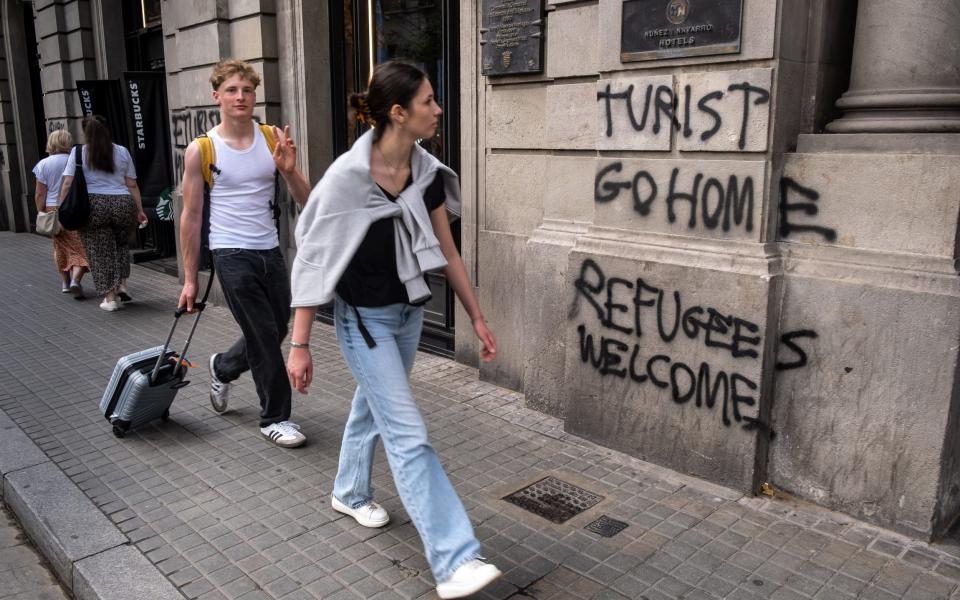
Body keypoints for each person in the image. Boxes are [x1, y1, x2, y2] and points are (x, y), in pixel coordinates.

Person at [286, 61, 502, 599]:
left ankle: (349, 489)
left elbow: (447, 251)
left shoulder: (424, 172)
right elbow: (313, 258)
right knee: (408, 435)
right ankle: (454, 560)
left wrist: (474, 315)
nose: (438, 109)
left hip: (407, 314)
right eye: (429, 101)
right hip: (364, 322)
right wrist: (300, 342)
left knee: (374, 406)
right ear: (399, 113)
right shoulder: (346, 178)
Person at [177, 59, 312, 448]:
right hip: (229, 253)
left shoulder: (271, 137)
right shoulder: (202, 149)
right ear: (217, 96)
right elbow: (191, 216)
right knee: (265, 336)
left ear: (255, 96)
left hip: (269, 250)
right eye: (232, 90)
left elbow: (307, 200)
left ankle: (223, 365)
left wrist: (289, 170)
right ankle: (275, 418)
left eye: (247, 90)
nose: (241, 97)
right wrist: (189, 278)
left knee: (278, 328)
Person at [59, 116, 147, 311]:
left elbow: (67, 182)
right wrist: (139, 210)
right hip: (122, 203)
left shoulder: (79, 152)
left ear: (84, 132)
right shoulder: (122, 151)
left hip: (93, 206)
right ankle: (122, 284)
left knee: (100, 252)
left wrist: (61, 210)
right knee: (121, 246)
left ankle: (110, 298)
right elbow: (131, 183)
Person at [33, 129, 89, 298]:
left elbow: (40, 193)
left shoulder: (43, 164)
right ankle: (76, 280)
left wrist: (40, 211)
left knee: (59, 247)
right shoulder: (77, 160)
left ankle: (65, 283)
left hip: (52, 209)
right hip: (73, 208)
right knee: (80, 247)